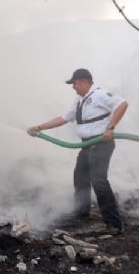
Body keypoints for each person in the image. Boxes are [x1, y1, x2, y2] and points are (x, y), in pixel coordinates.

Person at [27, 68, 128, 233]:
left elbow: (122, 104)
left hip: (101, 144)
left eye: (74, 83)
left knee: (99, 181)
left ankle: (114, 224)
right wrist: (39, 127)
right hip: (86, 145)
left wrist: (110, 127)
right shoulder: (79, 100)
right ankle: (81, 214)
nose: (73, 87)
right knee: (80, 178)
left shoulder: (100, 94)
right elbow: (63, 118)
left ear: (84, 82)